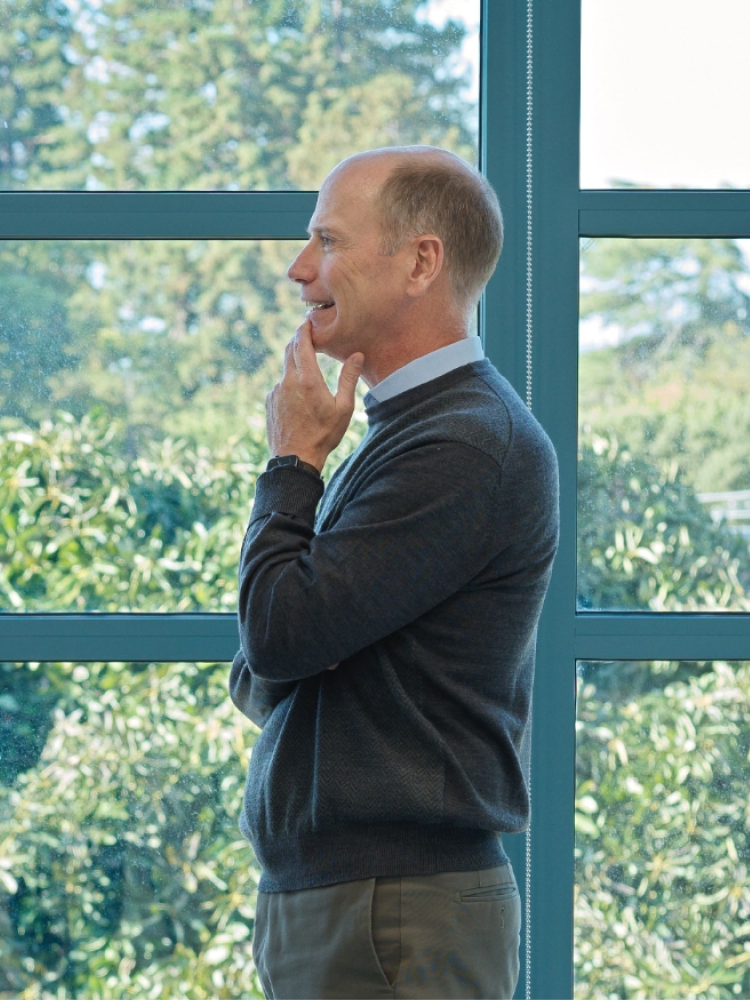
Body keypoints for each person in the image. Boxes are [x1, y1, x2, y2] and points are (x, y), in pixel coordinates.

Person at [230, 145, 556, 1000]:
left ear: (421, 262)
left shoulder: (464, 443)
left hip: (394, 912)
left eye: (328, 242)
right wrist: (298, 647)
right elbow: (267, 670)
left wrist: (294, 463)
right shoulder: (408, 435)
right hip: (361, 903)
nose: (301, 271)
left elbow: (278, 636)